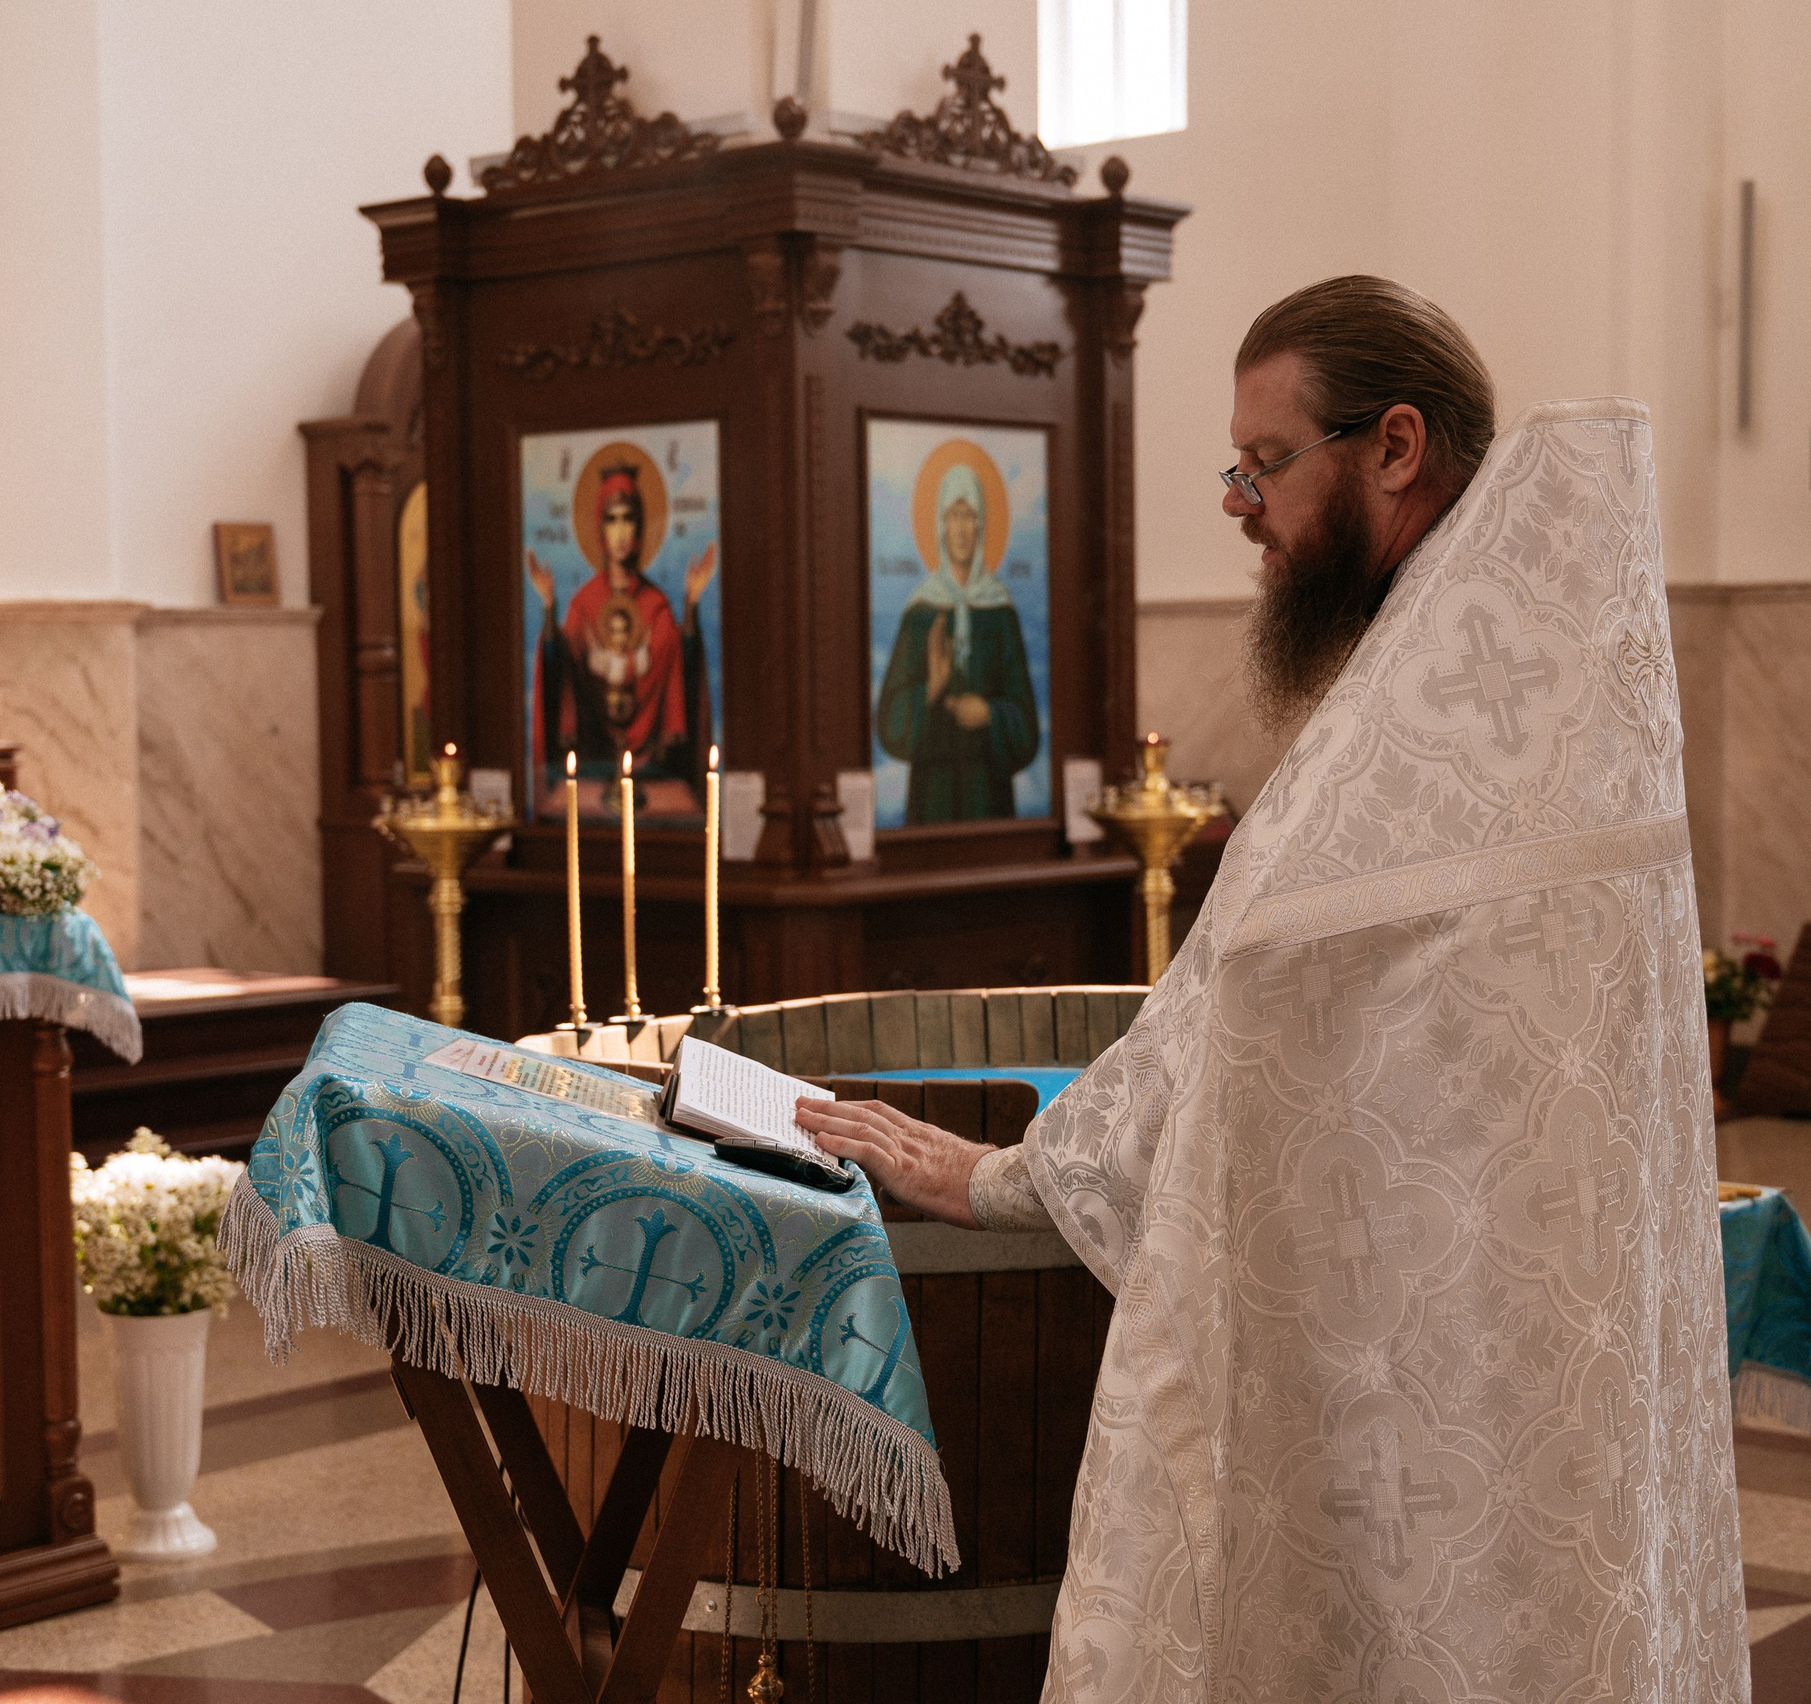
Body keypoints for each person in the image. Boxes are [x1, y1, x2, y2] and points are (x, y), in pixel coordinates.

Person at [800, 276, 1749, 1701]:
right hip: (1497, 1359)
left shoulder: (1428, 734)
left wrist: (1005, 1179)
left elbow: (1231, 1008)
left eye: (1265, 464)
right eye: (1236, 469)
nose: (1241, 503)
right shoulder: (1516, 697)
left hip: (1440, 1363)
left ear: (1395, 448)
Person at [529, 460, 714, 799]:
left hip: (652, 767)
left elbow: (679, 666)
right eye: (611, 519)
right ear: (599, 529)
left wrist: (690, 604)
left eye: (629, 519)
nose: (621, 531)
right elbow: (561, 674)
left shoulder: (655, 605)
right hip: (593, 759)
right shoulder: (583, 605)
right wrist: (548, 610)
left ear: (640, 528)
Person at [875, 457, 1040, 822]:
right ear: (940, 525)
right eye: (954, 516)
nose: (962, 529)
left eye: (970, 516)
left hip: (990, 798)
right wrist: (930, 690)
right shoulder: (920, 613)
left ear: (981, 524)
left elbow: (1027, 729)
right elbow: (888, 725)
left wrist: (990, 716)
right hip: (931, 799)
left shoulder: (1000, 613)